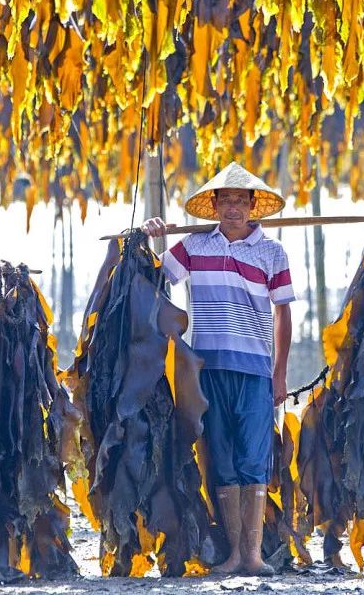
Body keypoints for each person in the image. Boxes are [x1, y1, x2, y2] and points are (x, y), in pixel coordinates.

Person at [143, 162, 294, 576]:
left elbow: (283, 314)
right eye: (225, 200)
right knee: (221, 456)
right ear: (213, 206)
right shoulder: (194, 247)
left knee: (254, 457)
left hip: (255, 369)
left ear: (252, 206)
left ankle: (254, 555)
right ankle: (233, 555)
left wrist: (279, 373)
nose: (232, 208)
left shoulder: (272, 252)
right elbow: (153, 277)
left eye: (240, 201)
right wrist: (151, 237)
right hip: (207, 369)